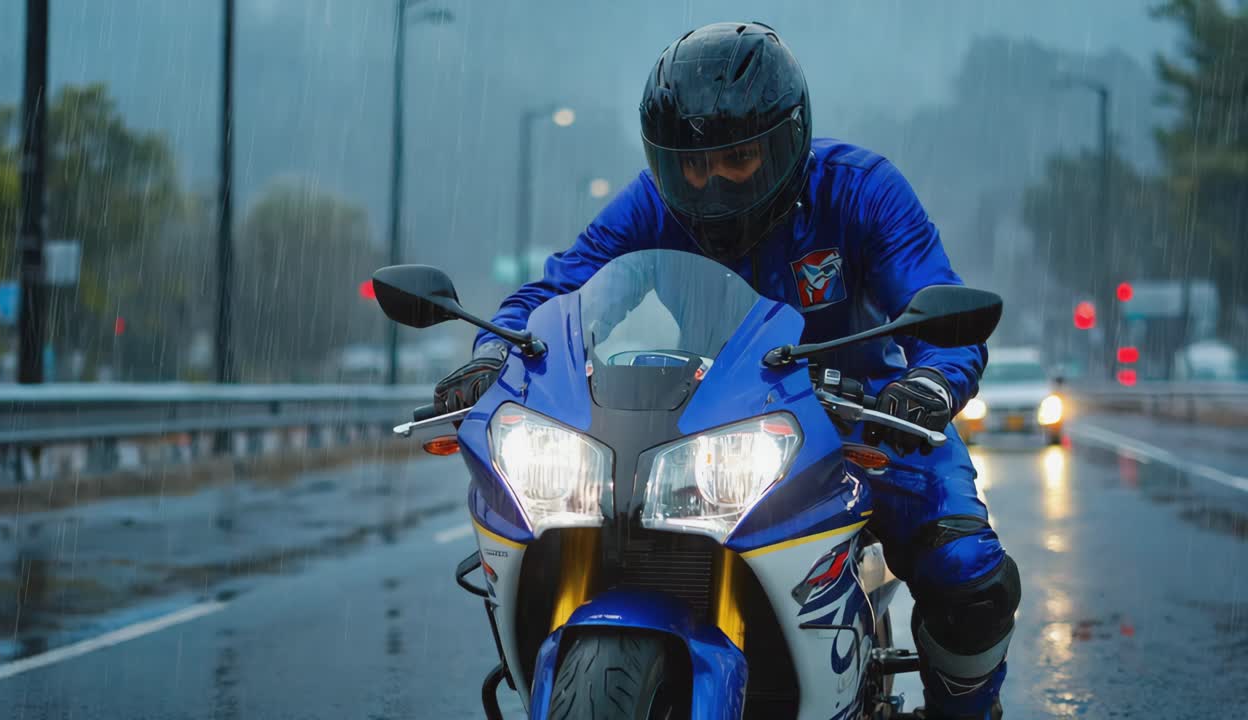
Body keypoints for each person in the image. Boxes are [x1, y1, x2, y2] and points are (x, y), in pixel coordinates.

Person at [434, 21, 1019, 720]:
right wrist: (494, 354)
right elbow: (558, 293)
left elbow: (934, 308)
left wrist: (928, 384)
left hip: (869, 418)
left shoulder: (861, 191)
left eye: (738, 159)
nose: (712, 183)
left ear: (787, 141)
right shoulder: (651, 206)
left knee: (969, 574)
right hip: (707, 422)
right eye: (692, 164)